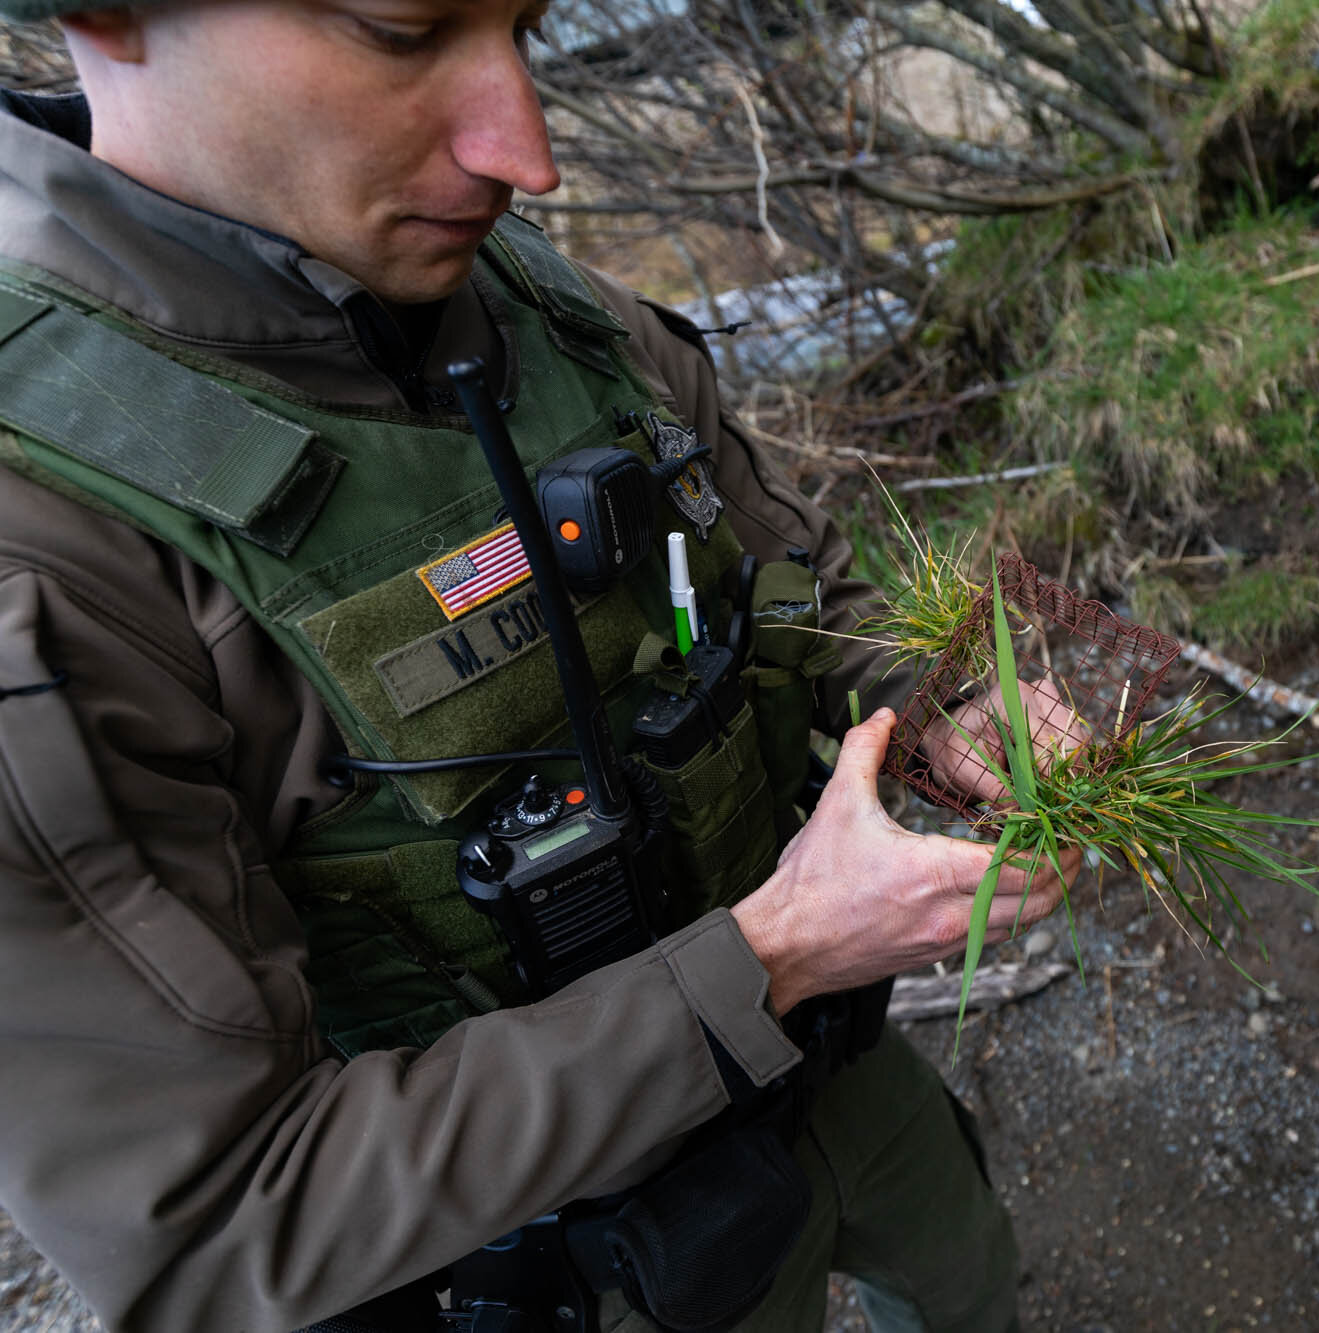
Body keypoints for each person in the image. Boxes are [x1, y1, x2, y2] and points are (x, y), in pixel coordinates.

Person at [0, 2, 1075, 1330]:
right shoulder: (43, 539)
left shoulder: (540, 305)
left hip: (835, 1066)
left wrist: (941, 708)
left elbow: (781, 578)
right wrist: (775, 953)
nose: (528, 150)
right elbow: (221, 1223)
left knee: (969, 1276)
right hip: (575, 1261)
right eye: (404, 30)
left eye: (529, 22)